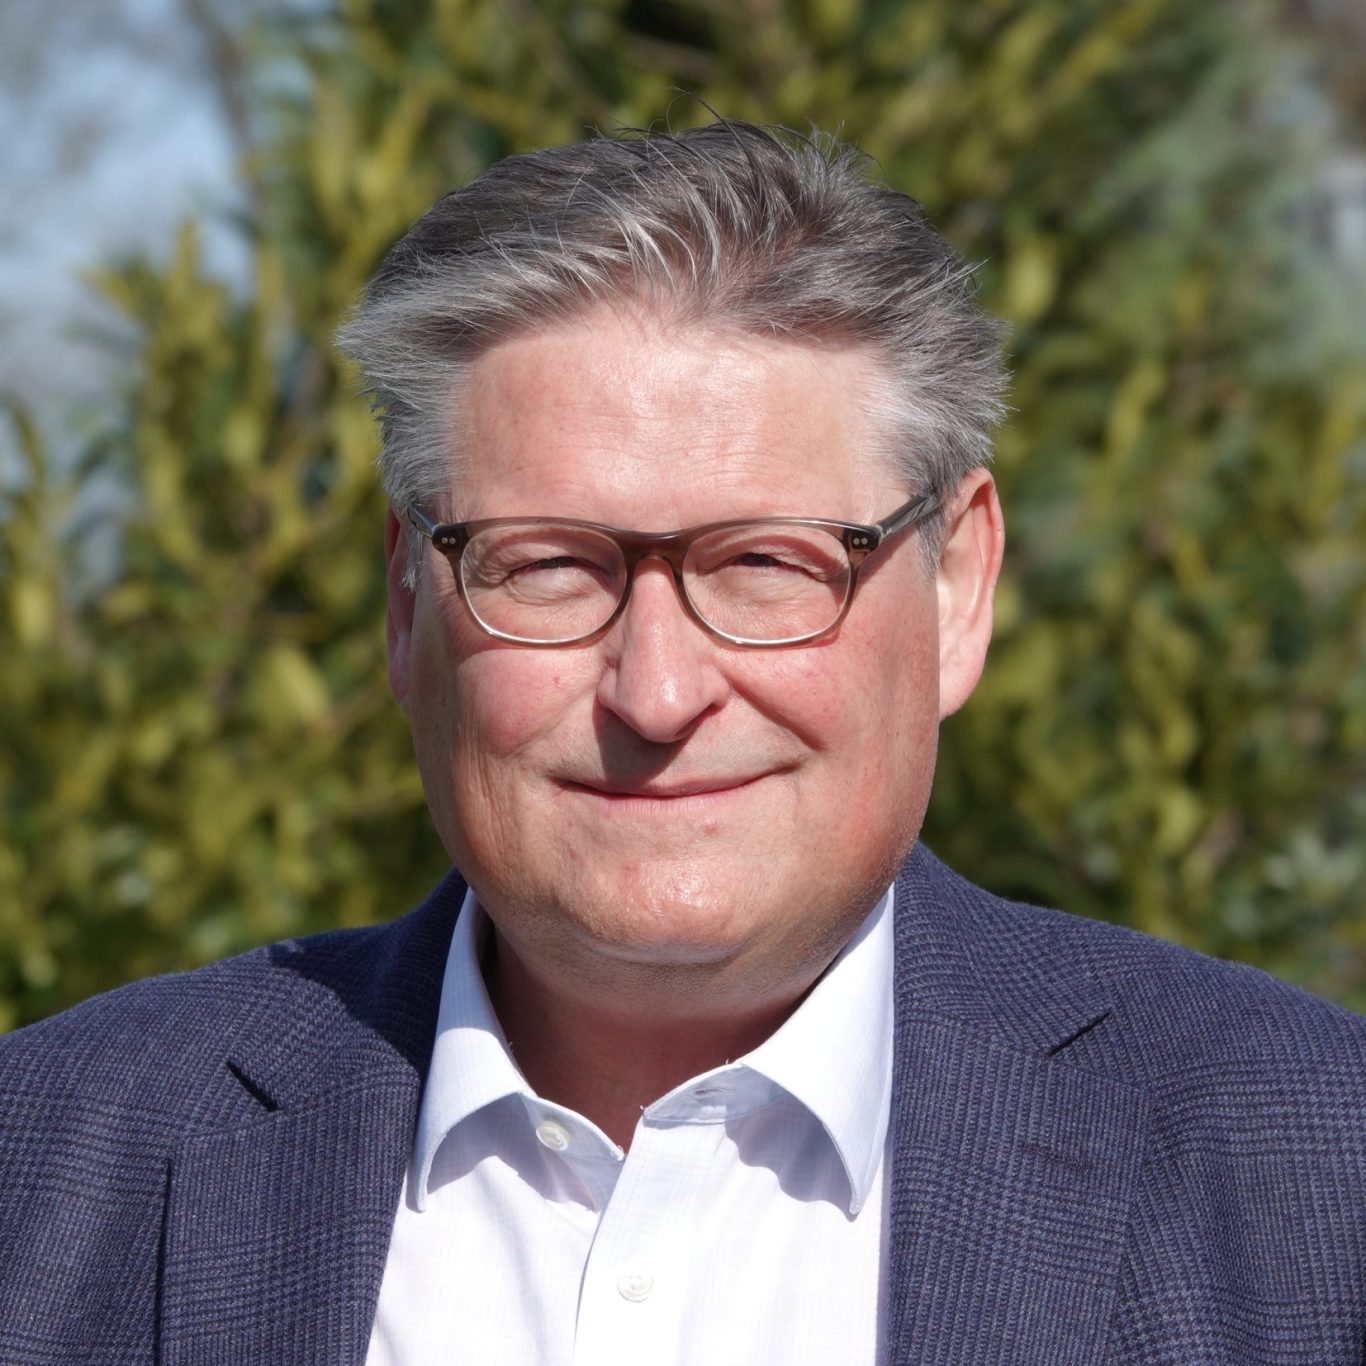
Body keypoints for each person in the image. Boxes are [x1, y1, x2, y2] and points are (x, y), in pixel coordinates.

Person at [1, 119, 1363, 1366]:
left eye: (767, 564)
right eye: (548, 566)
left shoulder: (1311, 1173)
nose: (654, 694)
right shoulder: (49, 1162)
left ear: (957, 590)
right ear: (406, 604)